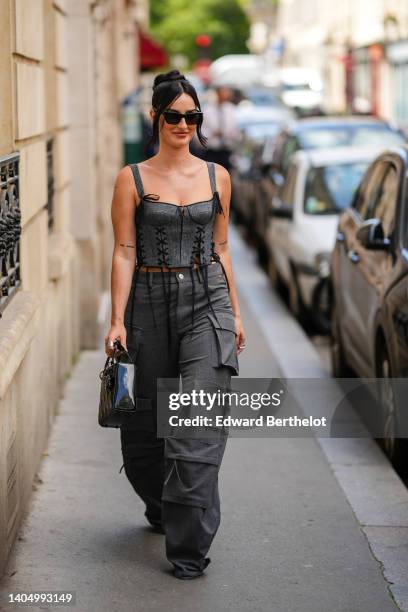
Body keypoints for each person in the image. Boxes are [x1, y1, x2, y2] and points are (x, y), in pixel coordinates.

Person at [105, 69, 246, 580]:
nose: (184, 125)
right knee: (145, 432)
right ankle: (161, 505)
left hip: (207, 303)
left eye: (192, 116)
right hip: (147, 302)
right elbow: (123, 251)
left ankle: (189, 551)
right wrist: (116, 319)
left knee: (195, 428)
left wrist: (235, 314)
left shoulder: (217, 177)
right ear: (156, 119)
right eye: (174, 116)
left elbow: (223, 248)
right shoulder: (133, 178)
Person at [201, 85, 241, 170]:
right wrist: (212, 134)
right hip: (211, 151)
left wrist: (228, 134)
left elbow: (236, 131)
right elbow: (201, 132)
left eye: (226, 92)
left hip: (226, 150)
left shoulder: (231, 110)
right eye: (222, 92)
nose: (224, 94)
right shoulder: (207, 110)